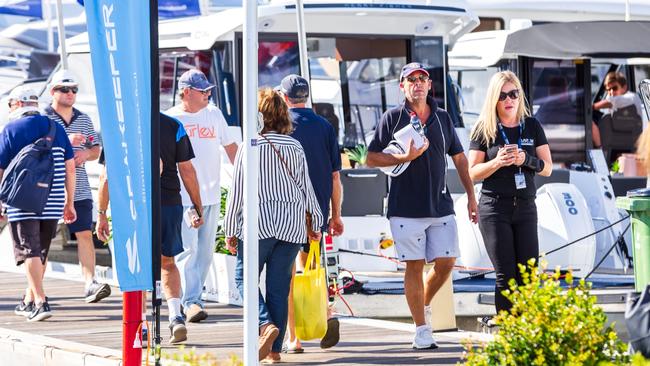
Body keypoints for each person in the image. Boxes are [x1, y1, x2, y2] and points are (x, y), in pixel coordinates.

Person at [366, 62, 478, 349]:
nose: (417, 84)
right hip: (406, 207)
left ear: (429, 85)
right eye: (411, 80)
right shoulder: (392, 117)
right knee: (414, 266)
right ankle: (421, 329)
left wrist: (471, 197)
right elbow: (372, 158)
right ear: (402, 86)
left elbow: (460, 158)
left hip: (441, 206)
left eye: (422, 79)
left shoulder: (442, 117)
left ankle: (422, 307)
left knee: (446, 263)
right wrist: (403, 158)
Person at [224, 88, 324, 362]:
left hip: (259, 223)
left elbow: (238, 191)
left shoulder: (250, 145)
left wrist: (230, 228)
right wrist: (315, 220)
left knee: (244, 279)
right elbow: (306, 187)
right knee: (279, 287)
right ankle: (275, 352)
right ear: (282, 115)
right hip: (291, 225)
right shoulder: (295, 146)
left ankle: (265, 325)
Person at [95, 113, 204, 344]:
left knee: (137, 266)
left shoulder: (119, 119)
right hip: (169, 203)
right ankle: (176, 316)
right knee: (168, 262)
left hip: (132, 206)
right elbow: (187, 170)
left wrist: (102, 213)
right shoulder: (173, 125)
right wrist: (197, 205)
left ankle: (141, 325)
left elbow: (106, 177)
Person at [467, 71, 552, 323]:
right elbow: (472, 173)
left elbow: (547, 168)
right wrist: (496, 162)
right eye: (503, 95)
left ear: (520, 96)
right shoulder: (484, 129)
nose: (509, 100)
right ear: (494, 99)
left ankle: (526, 329)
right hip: (495, 208)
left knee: (528, 274)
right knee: (506, 274)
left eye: (513, 94)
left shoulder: (532, 125)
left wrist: (527, 159)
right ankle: (508, 332)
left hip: (525, 206)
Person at [277, 74, 345, 353]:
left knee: (288, 274)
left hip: (285, 210)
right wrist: (337, 214)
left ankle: (294, 338)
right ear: (307, 96)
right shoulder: (325, 126)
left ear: (284, 97)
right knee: (314, 267)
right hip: (316, 210)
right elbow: (335, 177)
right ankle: (325, 312)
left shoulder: (279, 126)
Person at [165, 69, 238, 323]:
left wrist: (245, 177)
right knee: (188, 250)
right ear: (186, 91)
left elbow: (231, 148)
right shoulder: (172, 118)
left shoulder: (214, 114)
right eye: (202, 90)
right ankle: (190, 302)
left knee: (205, 253)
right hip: (183, 198)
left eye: (209, 90)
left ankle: (192, 298)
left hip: (211, 196)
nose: (208, 94)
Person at [1, 86, 77, 321]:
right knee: (41, 252)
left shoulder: (11, 129)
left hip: (22, 199)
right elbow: (70, 167)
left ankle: (41, 302)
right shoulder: (56, 127)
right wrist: (69, 201)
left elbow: (1, 169)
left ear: (19, 104)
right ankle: (28, 298)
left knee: (30, 250)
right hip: (53, 199)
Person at [44, 70, 110, 303]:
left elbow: (96, 150)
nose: (70, 93)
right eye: (65, 89)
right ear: (53, 91)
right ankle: (35, 292)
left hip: (79, 187)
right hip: (47, 189)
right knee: (44, 240)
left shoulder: (84, 118)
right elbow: (35, 151)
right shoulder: (43, 118)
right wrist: (65, 144)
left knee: (84, 234)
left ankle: (89, 283)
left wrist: (85, 153)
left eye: (74, 90)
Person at [592, 71, 645, 149]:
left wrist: (591, 107)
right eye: (608, 89)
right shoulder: (611, 99)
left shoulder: (632, 98)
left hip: (633, 146)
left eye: (614, 88)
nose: (611, 92)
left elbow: (614, 101)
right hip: (616, 145)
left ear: (624, 87)